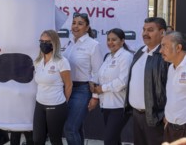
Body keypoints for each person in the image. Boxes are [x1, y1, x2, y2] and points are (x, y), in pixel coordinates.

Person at [125, 17, 169, 145]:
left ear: (162, 33)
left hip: (156, 118)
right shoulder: (140, 52)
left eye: (150, 30)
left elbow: (172, 87)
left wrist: (165, 114)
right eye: (144, 29)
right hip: (137, 116)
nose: (145, 33)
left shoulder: (166, 55)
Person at [63, 12, 103, 145]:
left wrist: (95, 97)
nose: (75, 26)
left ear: (87, 28)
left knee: (70, 128)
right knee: (77, 127)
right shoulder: (70, 43)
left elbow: (97, 72)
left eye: (80, 24)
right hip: (67, 89)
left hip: (83, 90)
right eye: (74, 23)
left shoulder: (93, 45)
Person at [92, 28, 133, 145]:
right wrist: (95, 91)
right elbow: (100, 77)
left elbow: (122, 82)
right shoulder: (108, 57)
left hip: (119, 107)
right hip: (106, 105)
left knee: (109, 140)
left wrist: (102, 89)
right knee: (114, 140)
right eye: (108, 39)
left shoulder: (126, 57)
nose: (110, 42)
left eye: (114, 40)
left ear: (122, 41)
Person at [33, 30, 72, 145]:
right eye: (42, 41)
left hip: (56, 105)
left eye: (47, 41)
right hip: (39, 104)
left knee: (55, 140)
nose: (44, 44)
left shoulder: (62, 62)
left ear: (54, 43)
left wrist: (64, 102)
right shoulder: (38, 61)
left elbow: (69, 85)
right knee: (37, 140)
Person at [160, 31, 186, 143]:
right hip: (170, 127)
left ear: (178, 47)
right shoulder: (171, 68)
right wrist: (168, 116)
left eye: (164, 46)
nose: (160, 51)